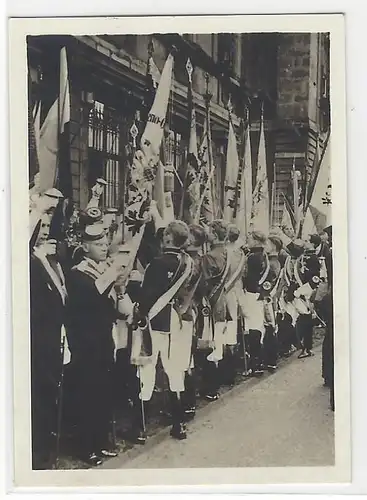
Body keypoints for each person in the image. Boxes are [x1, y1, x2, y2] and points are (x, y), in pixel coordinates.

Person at [66, 224, 126, 466]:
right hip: (85, 342)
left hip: (103, 339)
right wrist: (112, 272)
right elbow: (91, 295)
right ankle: (85, 446)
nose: (104, 248)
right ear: (85, 247)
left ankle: (101, 441)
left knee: (103, 390)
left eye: (104, 244)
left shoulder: (102, 271)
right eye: (99, 245)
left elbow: (112, 302)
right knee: (87, 393)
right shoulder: (78, 273)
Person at [132, 220, 193, 442]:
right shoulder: (188, 263)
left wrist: (138, 312)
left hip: (155, 321)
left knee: (147, 371)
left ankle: (140, 429)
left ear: (168, 238)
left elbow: (147, 296)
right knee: (174, 371)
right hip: (175, 320)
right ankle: (179, 425)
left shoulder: (157, 263)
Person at [30, 211, 69, 469]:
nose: (45, 231)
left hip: (53, 337)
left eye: (46, 226)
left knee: (48, 393)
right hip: (39, 340)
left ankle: (46, 447)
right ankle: (39, 454)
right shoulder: (32, 263)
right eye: (40, 226)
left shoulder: (48, 259)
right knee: (40, 397)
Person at [199, 219, 231, 399]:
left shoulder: (209, 257)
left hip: (210, 304)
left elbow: (203, 283)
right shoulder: (228, 253)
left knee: (210, 344)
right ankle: (218, 382)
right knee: (218, 342)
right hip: (222, 302)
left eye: (209, 231)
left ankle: (210, 388)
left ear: (215, 234)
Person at [222, 224, 247, 385]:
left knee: (224, 331)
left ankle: (226, 371)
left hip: (225, 293)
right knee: (233, 330)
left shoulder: (224, 253)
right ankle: (233, 368)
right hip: (238, 292)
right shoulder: (241, 254)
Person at [242, 231, 269, 375]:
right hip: (259, 293)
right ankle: (258, 362)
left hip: (251, 293)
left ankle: (254, 363)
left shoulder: (253, 258)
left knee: (252, 328)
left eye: (250, 239)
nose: (248, 241)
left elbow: (249, 278)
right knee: (258, 327)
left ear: (257, 241)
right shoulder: (262, 255)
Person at [294, 240, 321, 359]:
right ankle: (307, 347)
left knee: (305, 323)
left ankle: (306, 348)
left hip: (306, 294)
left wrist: (301, 291)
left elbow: (312, 279)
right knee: (306, 323)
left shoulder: (312, 259)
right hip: (306, 293)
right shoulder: (308, 259)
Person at [262, 235, 283, 372]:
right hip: (270, 299)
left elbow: (270, 284)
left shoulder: (272, 263)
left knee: (270, 328)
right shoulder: (272, 261)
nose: (265, 246)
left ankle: (271, 360)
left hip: (269, 299)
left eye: (267, 244)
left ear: (274, 246)